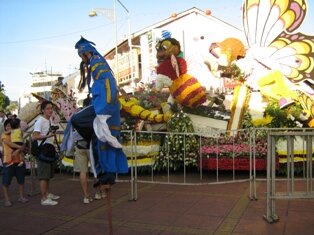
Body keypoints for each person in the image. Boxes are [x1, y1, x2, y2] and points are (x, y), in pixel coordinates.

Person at [69, 37, 128, 187]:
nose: (81, 60)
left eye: (81, 56)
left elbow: (108, 84)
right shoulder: (98, 62)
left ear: (85, 54)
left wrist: (103, 107)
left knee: (76, 120)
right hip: (106, 106)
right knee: (102, 144)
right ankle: (106, 176)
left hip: (103, 106)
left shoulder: (96, 63)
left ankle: (91, 137)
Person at [32, 100, 60, 206]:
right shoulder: (40, 121)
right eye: (48, 108)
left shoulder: (49, 120)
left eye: (51, 108)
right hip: (43, 150)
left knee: (48, 174)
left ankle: (47, 194)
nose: (50, 110)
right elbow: (35, 136)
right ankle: (43, 198)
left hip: (49, 150)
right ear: (43, 110)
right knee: (44, 175)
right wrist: (48, 136)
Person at [1, 118, 29, 207]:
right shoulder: (4, 136)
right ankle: (7, 199)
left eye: (11, 126)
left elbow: (23, 143)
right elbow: (10, 144)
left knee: (21, 180)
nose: (9, 128)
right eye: (8, 126)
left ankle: (21, 196)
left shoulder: (17, 133)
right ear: (5, 127)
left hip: (19, 161)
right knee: (6, 181)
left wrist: (22, 147)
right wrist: (20, 148)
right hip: (8, 161)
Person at [73, 131, 104, 204]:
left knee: (83, 171)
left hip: (80, 145)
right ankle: (98, 193)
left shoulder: (76, 119)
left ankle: (86, 196)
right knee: (95, 170)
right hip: (92, 145)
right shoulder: (92, 119)